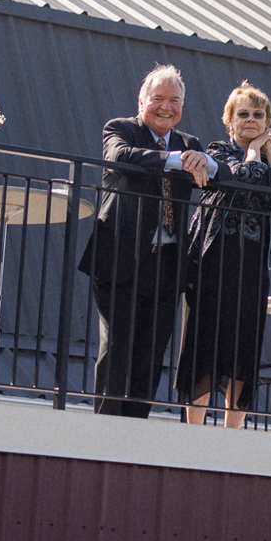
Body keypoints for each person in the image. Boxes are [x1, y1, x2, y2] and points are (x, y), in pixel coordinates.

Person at [77, 63, 213, 418]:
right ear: (142, 101)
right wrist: (173, 160)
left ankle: (135, 431)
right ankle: (106, 430)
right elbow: (118, 157)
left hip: (167, 266)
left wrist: (205, 163)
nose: (166, 106)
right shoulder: (121, 129)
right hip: (120, 259)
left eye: (175, 100)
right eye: (158, 98)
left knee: (151, 354)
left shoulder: (190, 145)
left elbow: (217, 175)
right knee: (118, 348)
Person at [177, 80, 271, 427]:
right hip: (213, 263)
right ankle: (194, 430)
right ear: (229, 120)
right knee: (203, 341)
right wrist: (256, 148)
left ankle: (231, 433)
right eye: (243, 114)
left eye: (258, 115)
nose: (251, 119)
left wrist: (266, 147)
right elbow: (247, 174)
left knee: (245, 345)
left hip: (251, 266)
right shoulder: (217, 151)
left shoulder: (268, 154)